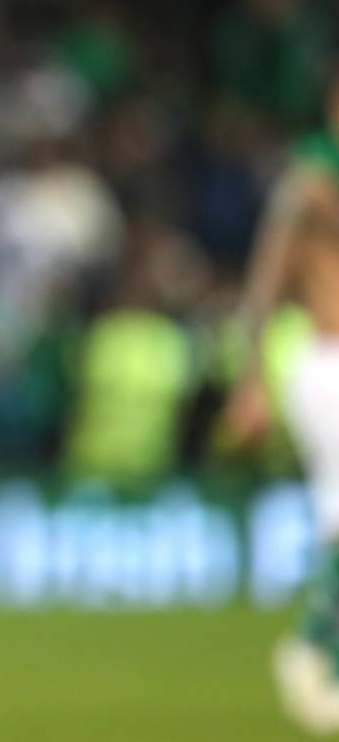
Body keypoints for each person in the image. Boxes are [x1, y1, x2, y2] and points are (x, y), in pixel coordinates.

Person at [228, 69, 339, 733]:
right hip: (327, 363)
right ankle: (312, 645)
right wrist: (252, 379)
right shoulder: (310, 180)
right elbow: (266, 280)